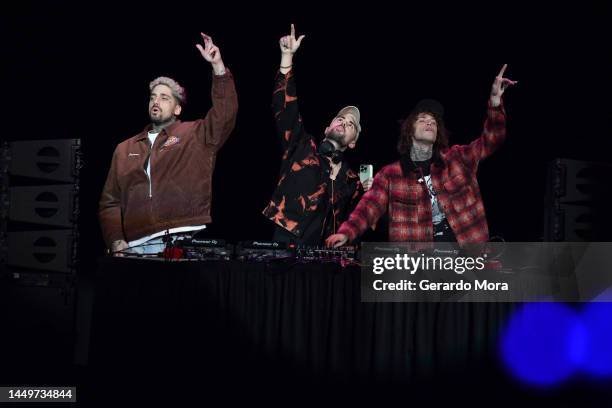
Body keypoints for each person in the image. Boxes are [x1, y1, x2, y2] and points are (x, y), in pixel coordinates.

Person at [326, 65, 517, 247]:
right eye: (422, 120)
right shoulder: (390, 174)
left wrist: (494, 102)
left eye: (433, 121)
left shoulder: (458, 158)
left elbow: (492, 139)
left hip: (467, 256)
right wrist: (346, 232)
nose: (429, 123)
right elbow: (368, 207)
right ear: (409, 130)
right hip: (419, 262)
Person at [99, 33, 238, 255]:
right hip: (135, 246)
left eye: (164, 97)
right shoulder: (125, 148)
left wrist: (218, 67)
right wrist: (115, 240)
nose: (156, 101)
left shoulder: (195, 134)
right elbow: (110, 202)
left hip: (183, 237)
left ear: (177, 109)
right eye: (153, 97)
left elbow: (225, 115)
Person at [262, 24, 372, 246]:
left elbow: (358, 221)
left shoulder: (353, 180)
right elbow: (285, 109)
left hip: (325, 259)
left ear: (353, 143)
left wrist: (368, 195)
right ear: (326, 129)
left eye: (351, 124)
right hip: (285, 247)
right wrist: (287, 58)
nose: (344, 122)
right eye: (340, 118)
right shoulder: (300, 146)